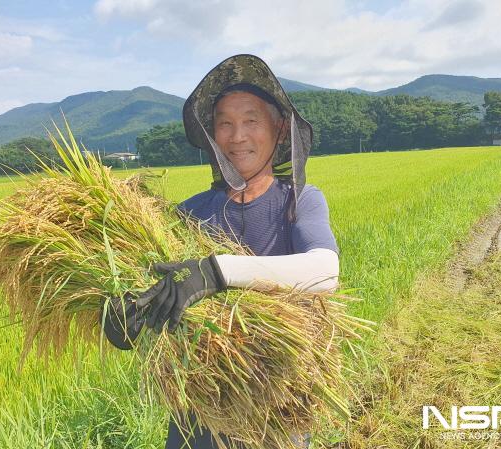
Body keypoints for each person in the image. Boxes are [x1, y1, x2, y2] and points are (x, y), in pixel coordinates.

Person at [103, 54, 340, 449]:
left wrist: (218, 272)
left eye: (251, 121)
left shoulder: (299, 201)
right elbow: (159, 292)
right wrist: (127, 320)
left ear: (280, 130)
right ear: (212, 136)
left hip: (274, 405)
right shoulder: (187, 214)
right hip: (196, 412)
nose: (238, 136)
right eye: (224, 124)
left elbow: (325, 272)